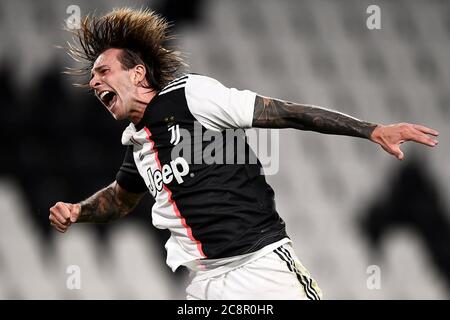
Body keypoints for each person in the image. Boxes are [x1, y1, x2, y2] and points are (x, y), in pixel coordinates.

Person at [49, 8, 439, 300]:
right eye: (92, 77)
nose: (93, 81)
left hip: (262, 269)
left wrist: (371, 129)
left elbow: (283, 112)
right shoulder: (137, 144)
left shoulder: (192, 96)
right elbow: (121, 198)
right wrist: (79, 211)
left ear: (137, 74)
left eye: (103, 70)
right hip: (206, 285)